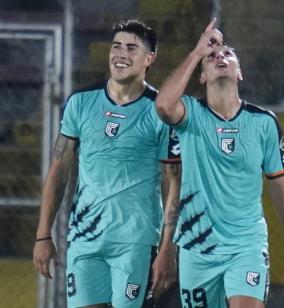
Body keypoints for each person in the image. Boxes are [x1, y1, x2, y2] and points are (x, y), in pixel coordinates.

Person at [155, 19, 284, 308]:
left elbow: (281, 191)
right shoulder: (189, 115)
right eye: (212, 57)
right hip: (197, 245)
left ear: (240, 73)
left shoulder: (264, 123)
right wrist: (197, 52)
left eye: (228, 55)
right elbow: (163, 105)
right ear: (202, 76)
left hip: (246, 246)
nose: (220, 57)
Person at [32, 19, 181, 307]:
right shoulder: (80, 103)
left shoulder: (161, 111)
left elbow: (174, 182)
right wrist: (43, 235)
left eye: (131, 48)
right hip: (85, 237)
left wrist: (168, 248)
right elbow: (59, 169)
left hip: (136, 242)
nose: (120, 54)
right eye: (116, 46)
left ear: (149, 58)